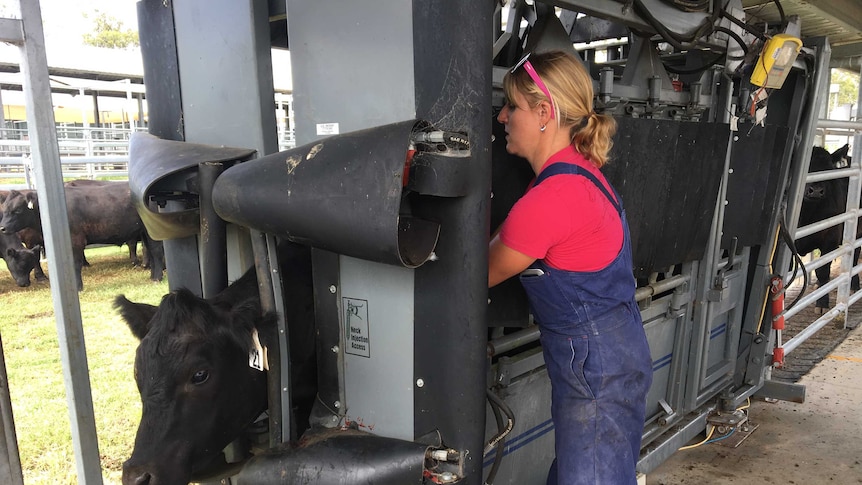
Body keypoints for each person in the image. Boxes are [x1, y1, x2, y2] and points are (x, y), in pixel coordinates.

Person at [489, 50, 653, 485]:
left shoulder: (551, 199)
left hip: (595, 367)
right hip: (616, 352)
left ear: (544, 112)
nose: (503, 116)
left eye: (511, 106)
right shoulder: (581, 173)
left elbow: (476, 274)